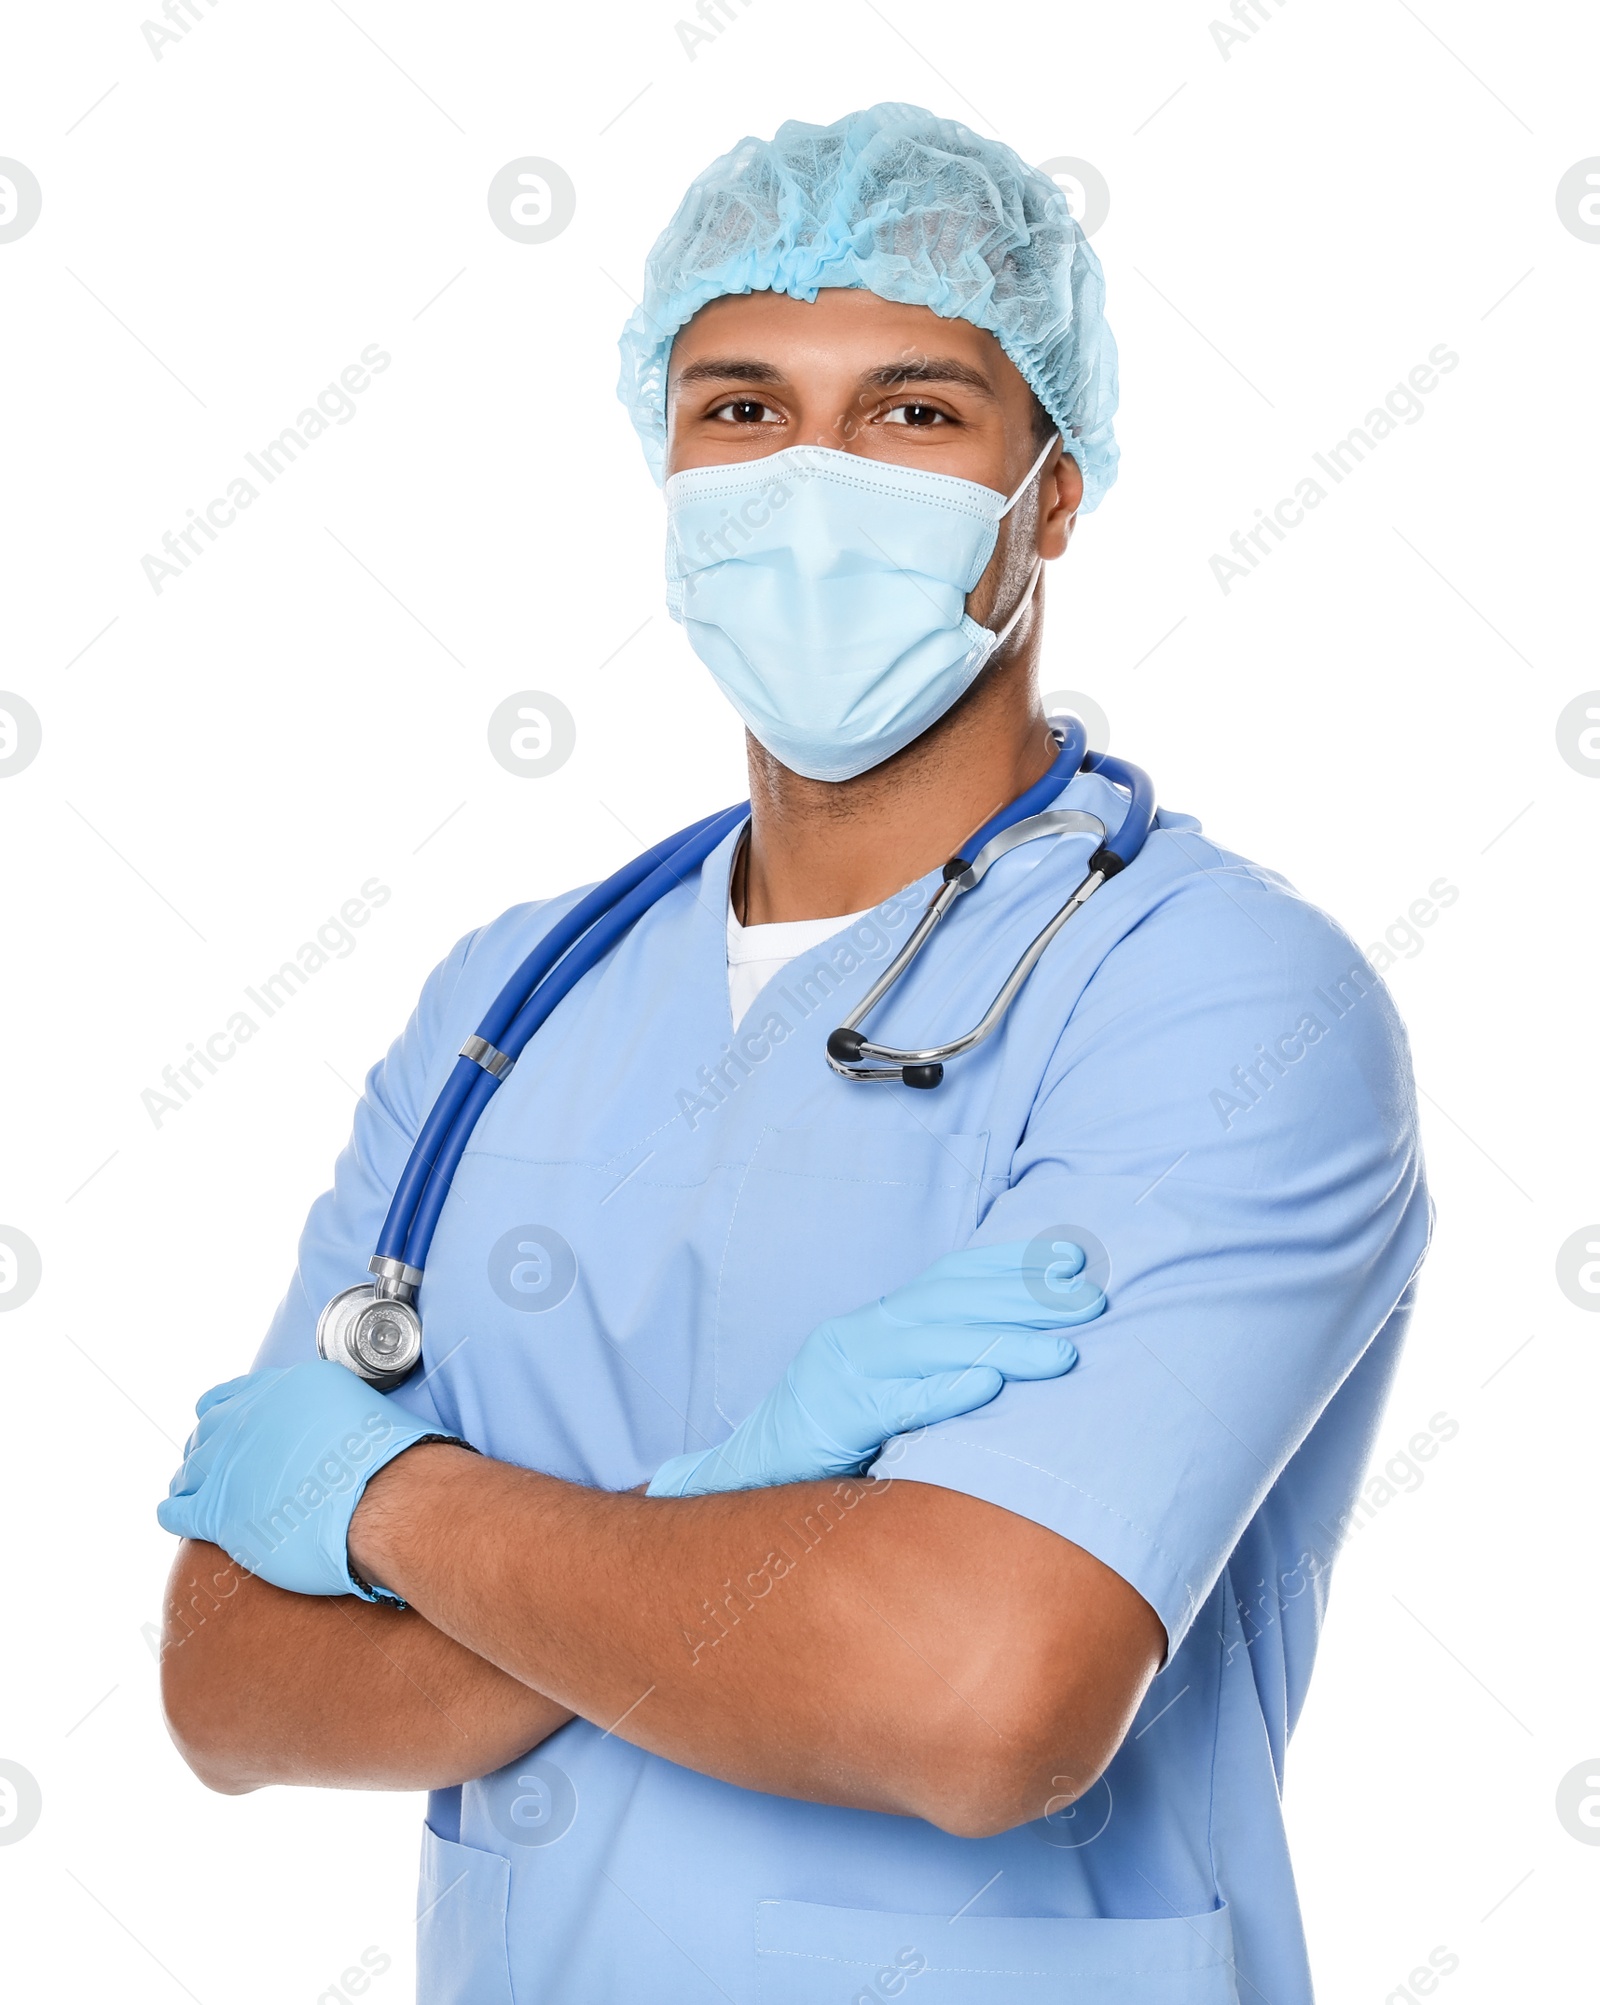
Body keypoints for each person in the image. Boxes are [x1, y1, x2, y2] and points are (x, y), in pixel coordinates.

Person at [157, 102, 1430, 2005]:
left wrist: (391, 1504)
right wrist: (741, 1530)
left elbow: (975, 1696)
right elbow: (232, 1687)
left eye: (915, 413)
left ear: (1051, 495)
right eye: (741, 408)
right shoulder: (514, 999)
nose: (813, 479)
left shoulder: (1219, 997)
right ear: (665, 465)